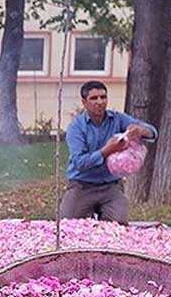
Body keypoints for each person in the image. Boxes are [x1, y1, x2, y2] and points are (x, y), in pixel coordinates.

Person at [61, 80, 158, 224]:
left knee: (118, 227)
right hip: (81, 185)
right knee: (67, 226)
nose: (100, 102)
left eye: (103, 97)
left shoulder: (117, 119)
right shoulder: (76, 128)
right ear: (84, 102)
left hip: (110, 186)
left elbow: (153, 133)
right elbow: (80, 163)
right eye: (94, 98)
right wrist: (106, 151)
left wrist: (141, 130)